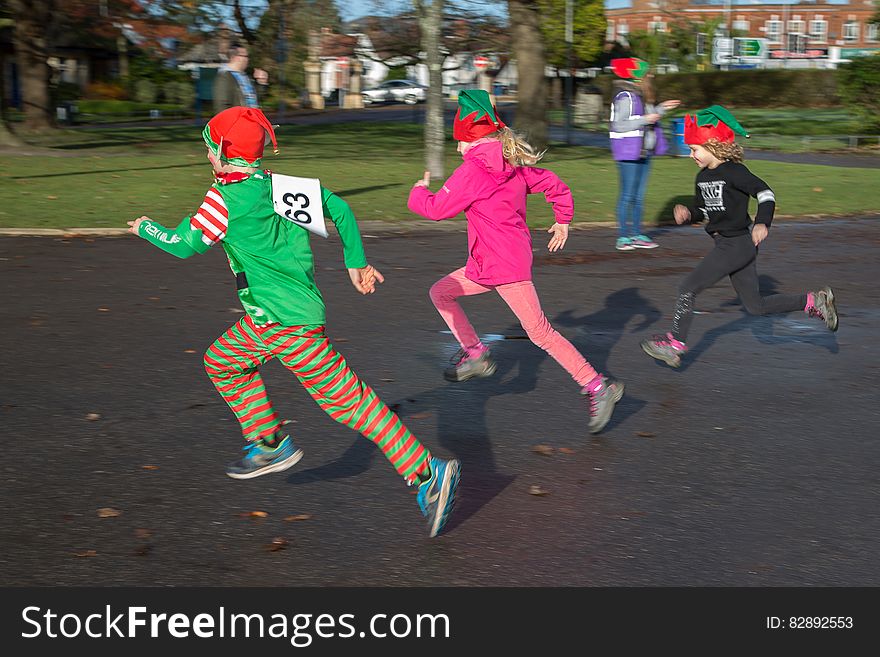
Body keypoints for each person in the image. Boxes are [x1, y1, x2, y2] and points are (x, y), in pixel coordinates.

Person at [126, 106, 460, 538]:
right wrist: (355, 263)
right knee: (222, 361)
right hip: (279, 319)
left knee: (353, 406)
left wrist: (147, 228)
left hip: (283, 325)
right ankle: (268, 441)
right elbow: (339, 209)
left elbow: (187, 245)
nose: (207, 155)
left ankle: (428, 474)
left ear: (221, 153)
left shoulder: (223, 199)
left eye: (209, 148)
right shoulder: (281, 187)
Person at [407, 89, 624, 435]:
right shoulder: (512, 164)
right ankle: (475, 353)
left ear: (469, 139)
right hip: (489, 263)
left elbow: (435, 209)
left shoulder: (472, 171)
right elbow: (554, 183)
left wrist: (418, 191)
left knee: (540, 334)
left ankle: (599, 386)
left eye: (459, 141)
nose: (458, 148)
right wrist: (563, 218)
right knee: (441, 292)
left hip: (503, 265)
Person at [640, 105, 838, 368]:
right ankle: (815, 301)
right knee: (755, 306)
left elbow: (766, 193)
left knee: (688, 287)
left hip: (737, 244)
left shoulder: (735, 172)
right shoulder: (701, 178)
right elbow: (706, 209)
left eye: (694, 149)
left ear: (713, 145)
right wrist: (689, 212)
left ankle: (675, 344)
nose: (691, 155)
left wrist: (762, 222)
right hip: (729, 245)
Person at [609, 57, 680, 251]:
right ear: (638, 76)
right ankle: (623, 237)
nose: (652, 76)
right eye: (648, 73)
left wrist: (662, 109)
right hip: (629, 152)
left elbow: (646, 117)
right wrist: (646, 119)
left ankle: (637, 234)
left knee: (639, 197)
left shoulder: (639, 95)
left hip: (643, 151)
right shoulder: (625, 96)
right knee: (627, 196)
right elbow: (619, 124)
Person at [213, 42, 268, 112]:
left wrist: (261, 83)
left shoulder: (245, 77)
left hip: (252, 120)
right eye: (246, 56)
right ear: (237, 58)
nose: (247, 59)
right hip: (239, 121)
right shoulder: (224, 77)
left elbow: (255, 100)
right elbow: (221, 106)